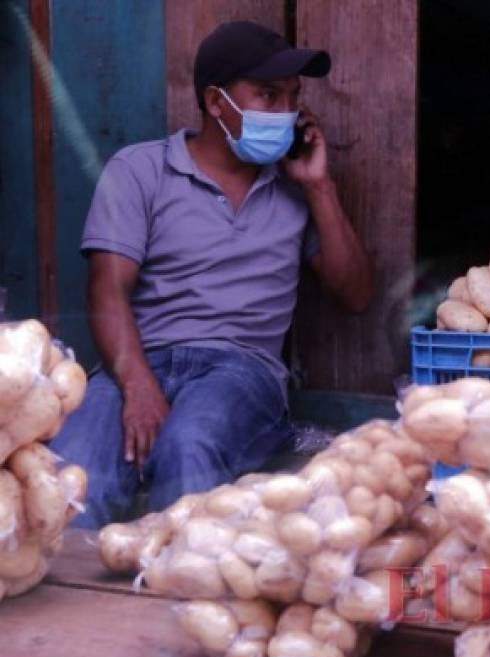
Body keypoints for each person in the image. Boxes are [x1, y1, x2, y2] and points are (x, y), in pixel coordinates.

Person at [51, 21, 374, 528]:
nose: (285, 112)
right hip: (137, 359)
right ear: (216, 102)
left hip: (241, 370)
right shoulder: (138, 171)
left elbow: (355, 294)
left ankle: (180, 597)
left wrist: (320, 187)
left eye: (293, 97)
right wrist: (137, 384)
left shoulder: (294, 190)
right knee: (73, 475)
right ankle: (71, 609)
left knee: (190, 445)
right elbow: (107, 290)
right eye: (267, 95)